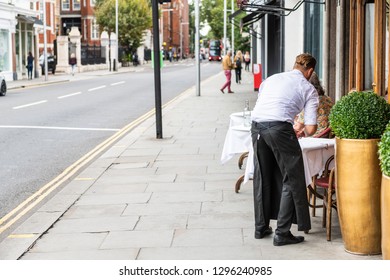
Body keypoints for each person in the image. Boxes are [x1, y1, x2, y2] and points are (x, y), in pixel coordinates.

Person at [250, 53, 319, 246]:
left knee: (262, 176)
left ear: (295, 65)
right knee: (293, 178)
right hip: (280, 129)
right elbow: (312, 129)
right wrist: (301, 127)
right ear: (310, 71)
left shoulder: (272, 78)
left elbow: (267, 104)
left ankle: (260, 227)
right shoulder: (308, 89)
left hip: (256, 126)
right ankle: (282, 233)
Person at [294, 71, 334, 137]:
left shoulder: (311, 101)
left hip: (315, 138)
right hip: (328, 136)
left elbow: (298, 127)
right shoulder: (327, 98)